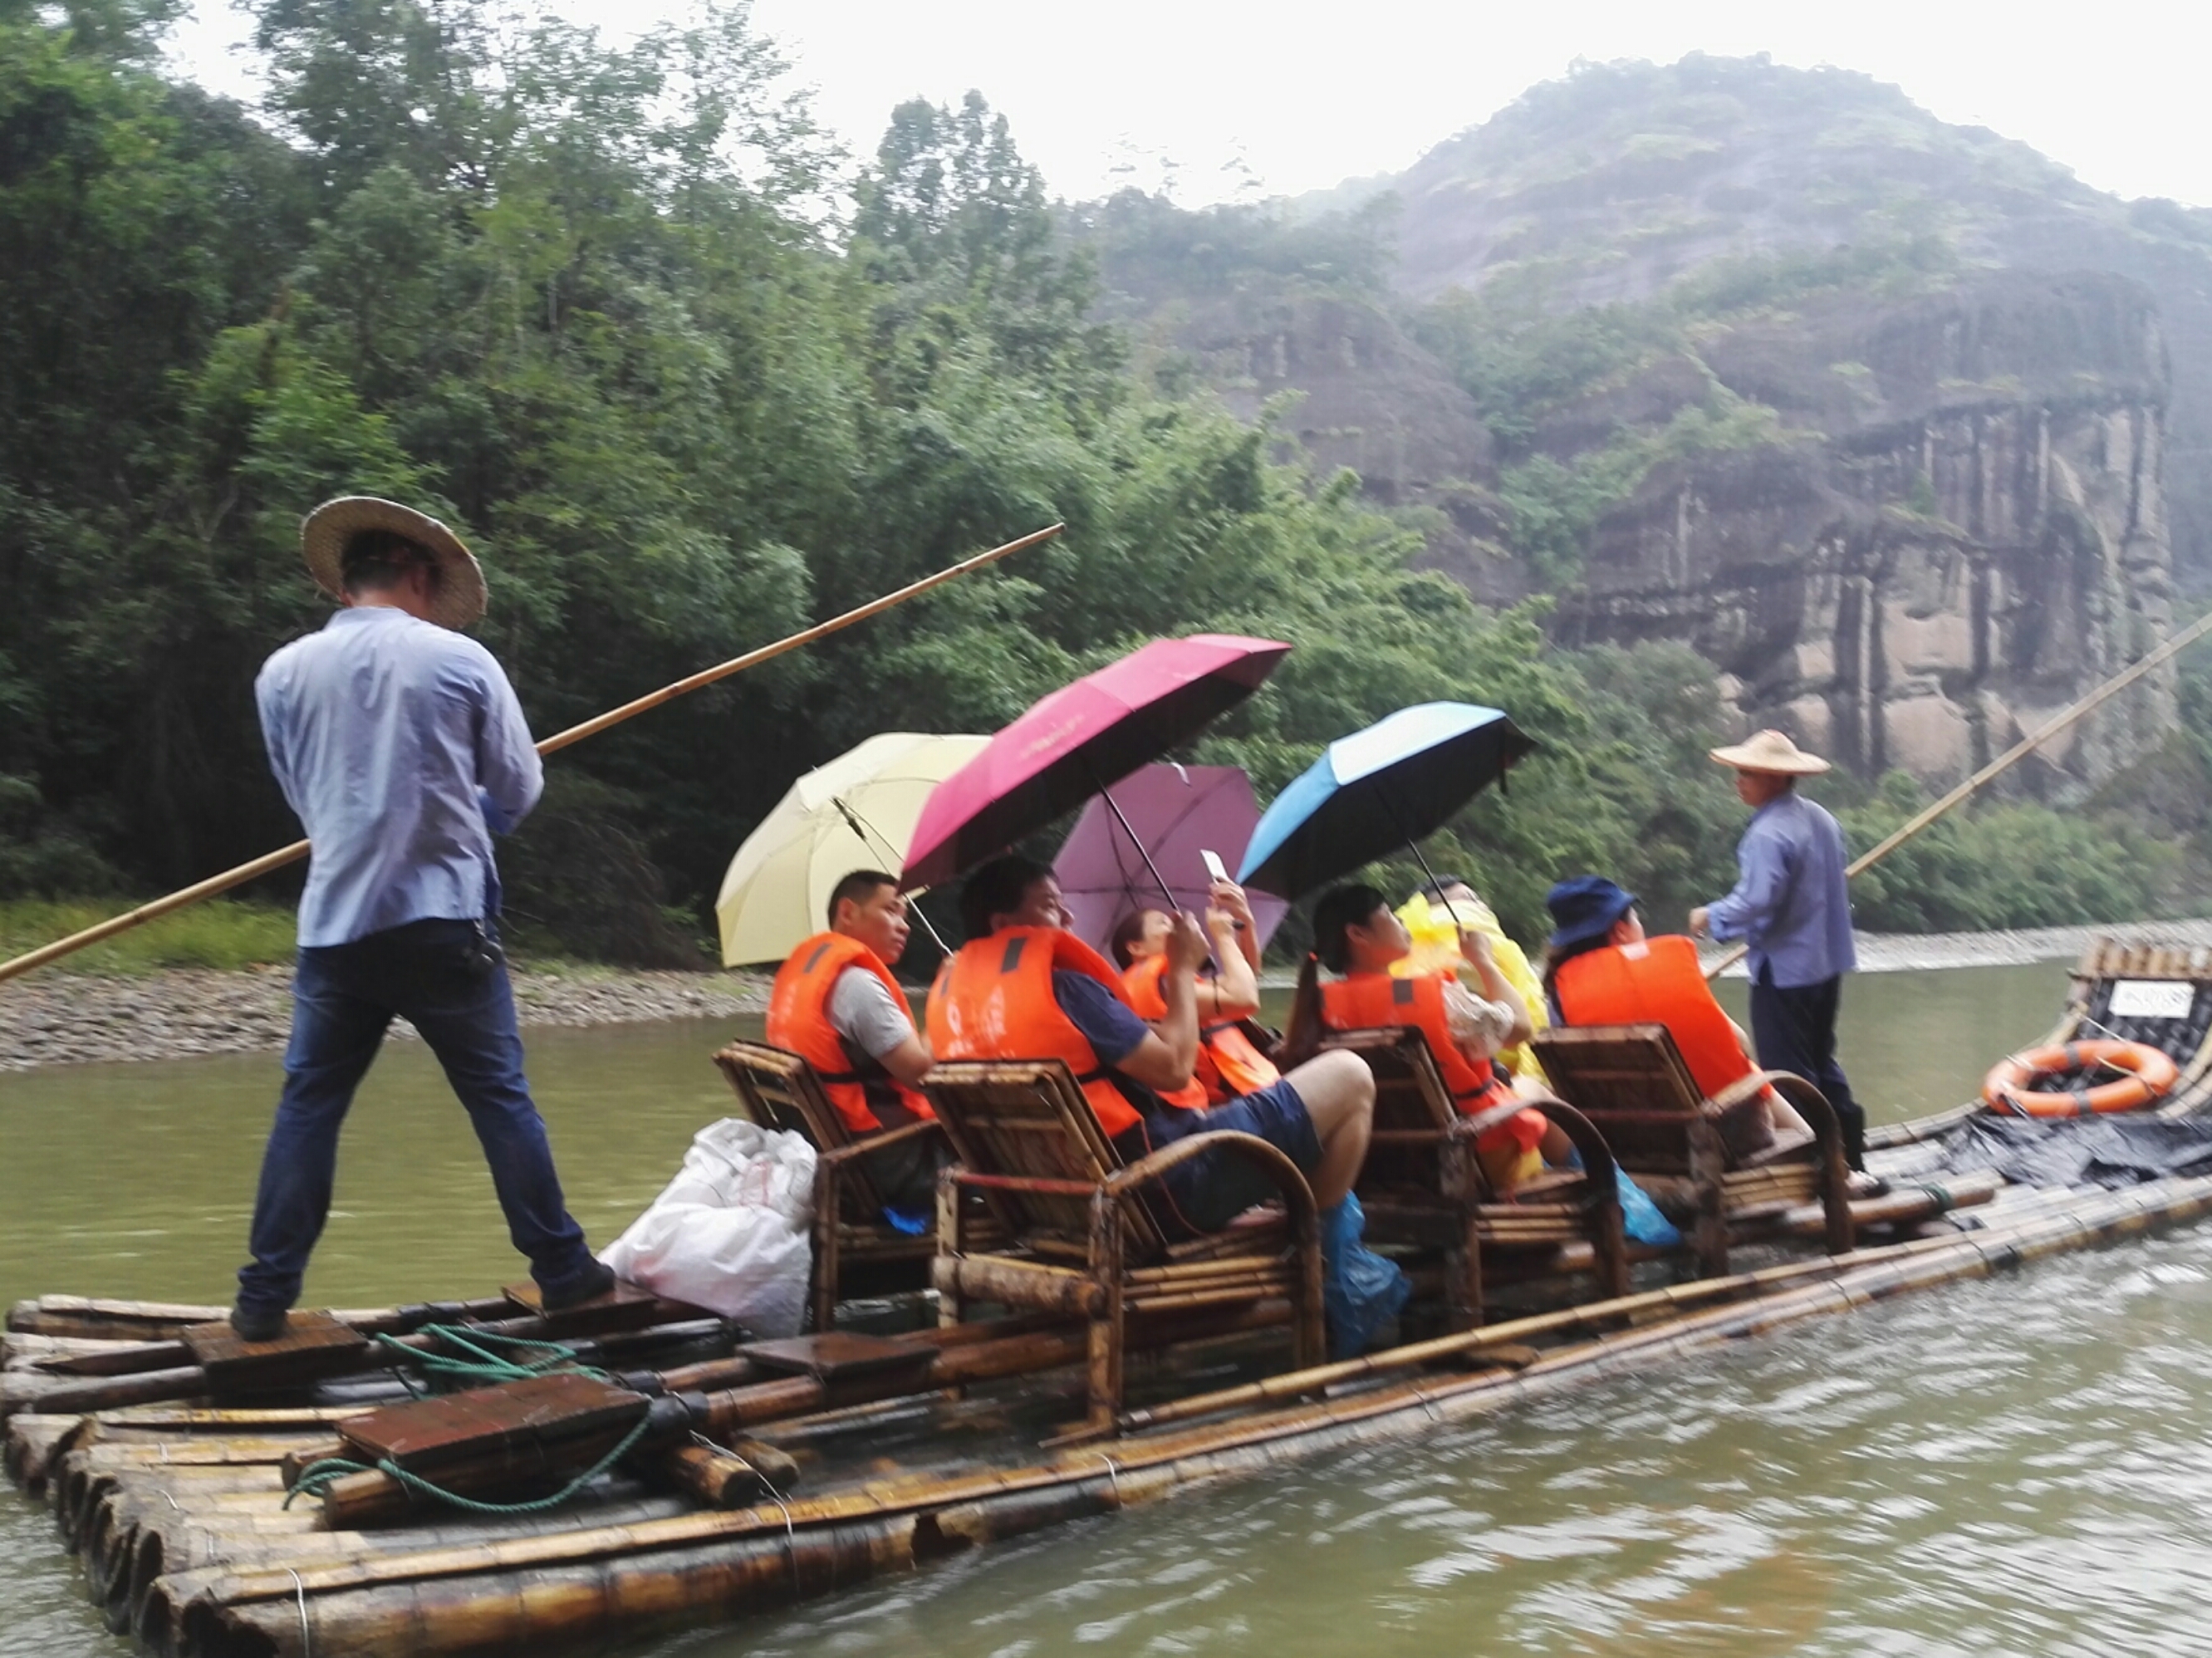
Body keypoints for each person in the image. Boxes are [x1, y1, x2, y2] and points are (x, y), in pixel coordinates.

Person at [231, 497, 611, 1343]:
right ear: (415, 573)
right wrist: (461, 807)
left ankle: (262, 1298)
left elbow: (307, 804)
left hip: (336, 930)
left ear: (351, 577)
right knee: (499, 1099)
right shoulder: (461, 662)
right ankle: (564, 1270)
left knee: (308, 1109)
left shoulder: (282, 672)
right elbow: (518, 788)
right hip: (442, 924)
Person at [927, 855, 1403, 1355]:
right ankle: (1321, 1256)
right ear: (1004, 924)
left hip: (1059, 1206)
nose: (1067, 920)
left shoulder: (952, 1004)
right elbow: (1176, 1069)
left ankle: (1316, 1244)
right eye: (1051, 907)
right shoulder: (1067, 987)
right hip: (1158, 1191)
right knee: (1351, 1075)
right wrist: (1179, 968)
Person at [1283, 884, 1572, 1194]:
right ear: (1358, 935)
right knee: (1534, 1091)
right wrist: (1482, 961)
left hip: (1381, 1164)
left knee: (1521, 1088)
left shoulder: (1316, 1008)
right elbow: (1521, 1029)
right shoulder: (1436, 998)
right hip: (1473, 1158)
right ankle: (1605, 1190)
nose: (1402, 922)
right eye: (1390, 915)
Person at [1688, 729, 1869, 1172]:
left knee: (1788, 1070)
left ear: (1775, 778)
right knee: (1821, 1058)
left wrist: (1709, 918)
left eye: (1747, 773)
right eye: (1739, 772)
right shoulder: (1821, 819)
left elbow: (1757, 900)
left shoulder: (1768, 834)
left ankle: (1813, 1164)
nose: (1739, 781)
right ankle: (1850, 1150)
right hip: (1825, 965)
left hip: (1785, 971)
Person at [1542, 876, 1812, 1149]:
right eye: (1636, 919)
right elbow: (1740, 1043)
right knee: (1750, 1071)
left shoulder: (1559, 997)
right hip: (1720, 1138)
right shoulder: (1668, 975)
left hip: (1627, 1144)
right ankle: (1827, 1157)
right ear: (1620, 931)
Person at [766, 869, 943, 1216]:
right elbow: (923, 1075)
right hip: (885, 1164)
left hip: (820, 1148)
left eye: (905, 915)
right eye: (891, 910)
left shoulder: (800, 974)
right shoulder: (857, 985)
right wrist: (947, 998)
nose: (904, 926)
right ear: (847, 913)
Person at [1109, 876, 1281, 1106]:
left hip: (1245, 1092)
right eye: (1163, 923)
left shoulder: (1167, 979)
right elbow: (1246, 999)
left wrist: (1245, 922)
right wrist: (1223, 936)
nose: (1176, 928)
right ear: (1135, 947)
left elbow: (1246, 978)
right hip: (1238, 1099)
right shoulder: (1165, 983)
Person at [1393, 876, 1549, 1086]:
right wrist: (1483, 962)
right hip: (1481, 1088)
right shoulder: (1480, 954)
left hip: (1426, 1087)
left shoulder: (1397, 972)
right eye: (1469, 898)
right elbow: (1520, 1029)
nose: (1481, 906)